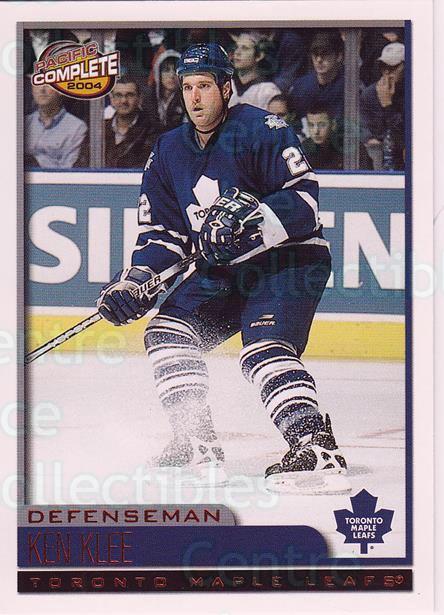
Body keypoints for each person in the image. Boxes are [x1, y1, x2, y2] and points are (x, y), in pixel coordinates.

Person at [97, 43, 348, 493]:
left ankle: (316, 447)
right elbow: (163, 234)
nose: (195, 98)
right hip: (225, 271)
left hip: (287, 261)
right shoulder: (168, 150)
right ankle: (196, 439)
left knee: (262, 349)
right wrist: (137, 282)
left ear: (226, 88)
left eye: (205, 86)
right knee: (167, 332)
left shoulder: (263, 129)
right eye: (187, 87)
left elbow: (304, 202)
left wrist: (252, 220)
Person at [360, 42, 405, 170]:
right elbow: (365, 130)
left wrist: (387, 105)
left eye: (393, 67)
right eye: (383, 67)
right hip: (378, 159)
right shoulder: (369, 94)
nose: (387, 72)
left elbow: (405, 138)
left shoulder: (413, 94)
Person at [25, 84, 87, 169]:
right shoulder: (24, 123)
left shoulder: (76, 127)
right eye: (37, 83)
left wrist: (37, 163)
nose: (42, 89)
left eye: (48, 84)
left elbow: (68, 171)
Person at [287, 31, 344, 123]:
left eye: (325, 54)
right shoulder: (300, 87)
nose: (319, 59)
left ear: (338, 56)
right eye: (315, 54)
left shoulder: (348, 87)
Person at [104, 76, 158, 168]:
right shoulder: (100, 130)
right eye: (118, 95)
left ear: (140, 99)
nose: (124, 101)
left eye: (130, 95)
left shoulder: (153, 130)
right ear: (111, 99)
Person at [302, 107, 373, 170]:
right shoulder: (304, 148)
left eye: (322, 125)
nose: (316, 131)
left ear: (333, 125)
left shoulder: (352, 147)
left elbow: (365, 177)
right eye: (311, 125)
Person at [229, 32, 281, 111]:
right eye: (236, 48)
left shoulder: (268, 90)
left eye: (245, 48)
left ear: (259, 56)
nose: (237, 52)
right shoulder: (228, 85)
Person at [146, 50, 185, 134]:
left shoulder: (186, 100)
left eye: (176, 70)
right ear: (158, 74)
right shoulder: (148, 100)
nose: (172, 75)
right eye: (166, 70)